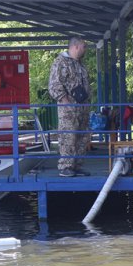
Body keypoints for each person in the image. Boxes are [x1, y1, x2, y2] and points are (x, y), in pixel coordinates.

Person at [48, 37, 92, 177]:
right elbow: (54, 85)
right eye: (84, 46)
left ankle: (76, 166)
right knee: (68, 136)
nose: (85, 49)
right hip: (68, 109)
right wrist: (65, 101)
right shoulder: (60, 62)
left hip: (82, 108)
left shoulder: (80, 64)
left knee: (82, 136)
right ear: (76, 47)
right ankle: (66, 167)